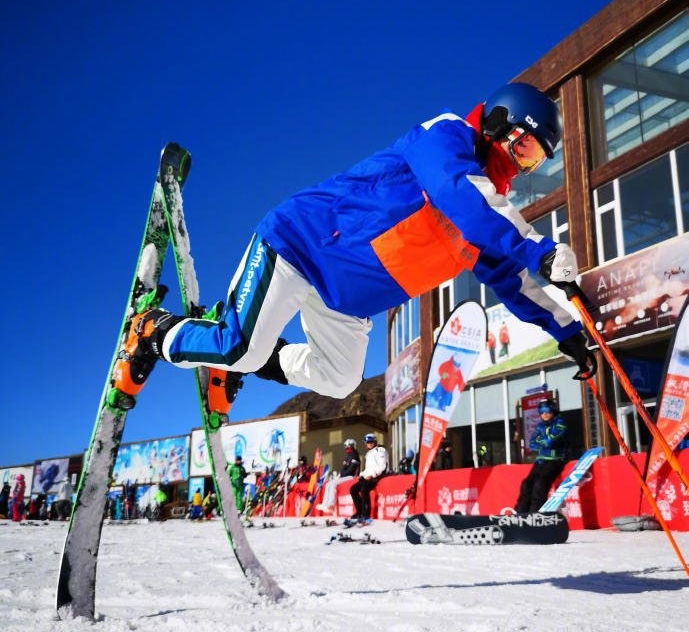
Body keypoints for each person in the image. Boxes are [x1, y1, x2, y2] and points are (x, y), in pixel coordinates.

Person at [118, 82, 594, 401]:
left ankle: (257, 361)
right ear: (500, 123)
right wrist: (541, 249)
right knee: (234, 345)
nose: (523, 166)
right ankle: (153, 330)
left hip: (344, 301)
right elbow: (462, 198)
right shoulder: (447, 137)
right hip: (299, 247)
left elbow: (515, 284)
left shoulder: (489, 216)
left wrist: (567, 333)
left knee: (340, 379)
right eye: (526, 149)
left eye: (534, 163)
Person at [515, 398, 568, 513]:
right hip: (541, 461)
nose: (544, 415)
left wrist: (542, 442)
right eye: (542, 413)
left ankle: (535, 512)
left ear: (553, 411)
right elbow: (532, 443)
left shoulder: (559, 423)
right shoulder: (540, 426)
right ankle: (520, 513)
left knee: (540, 483)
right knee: (526, 483)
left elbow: (552, 440)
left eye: (547, 412)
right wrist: (542, 442)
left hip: (555, 460)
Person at [349, 434, 389, 522]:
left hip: (377, 476)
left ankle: (366, 514)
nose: (369, 444)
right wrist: (362, 474)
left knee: (364, 489)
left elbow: (382, 466)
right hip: (367, 476)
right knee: (353, 489)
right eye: (367, 442)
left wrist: (373, 475)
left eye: (371, 442)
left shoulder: (380, 450)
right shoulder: (368, 453)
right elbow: (369, 468)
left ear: (375, 441)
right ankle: (359, 512)